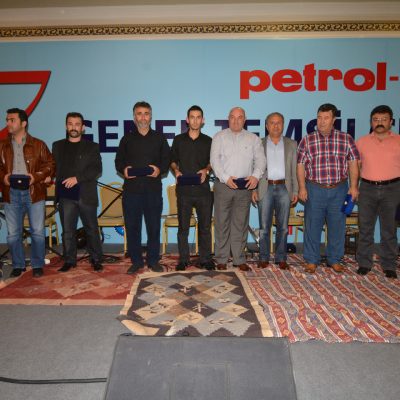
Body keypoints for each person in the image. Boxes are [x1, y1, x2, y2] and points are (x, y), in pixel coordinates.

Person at [297, 103, 360, 274]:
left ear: (334, 120)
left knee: (337, 225)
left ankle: (334, 259)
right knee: (312, 225)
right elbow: (300, 165)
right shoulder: (307, 140)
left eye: (326, 118)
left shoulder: (346, 138)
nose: (322, 121)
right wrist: (302, 187)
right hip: (314, 188)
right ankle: (311, 260)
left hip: (339, 189)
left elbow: (353, 163)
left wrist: (354, 187)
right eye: (319, 117)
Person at [115, 101, 170, 274]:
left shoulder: (159, 138)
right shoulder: (126, 139)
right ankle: (136, 261)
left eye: (146, 113)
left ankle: (153, 260)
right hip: (131, 192)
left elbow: (166, 160)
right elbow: (118, 161)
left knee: (153, 227)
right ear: (134, 117)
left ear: (151, 116)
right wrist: (124, 170)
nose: (143, 117)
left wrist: (159, 169)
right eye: (139, 114)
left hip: (153, 191)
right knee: (133, 228)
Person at [0, 108, 55, 278]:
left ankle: (37, 264)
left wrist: (35, 177)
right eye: (7, 120)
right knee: (13, 234)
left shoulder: (39, 144)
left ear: (23, 123)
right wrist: (4, 177)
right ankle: (18, 265)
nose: (8, 123)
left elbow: (50, 165)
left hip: (34, 192)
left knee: (37, 231)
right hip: (11, 193)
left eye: (12, 120)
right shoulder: (2, 145)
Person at [210, 106, 266, 271]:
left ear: (244, 120)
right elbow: (214, 161)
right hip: (223, 185)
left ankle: (239, 258)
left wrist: (255, 176)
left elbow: (261, 160)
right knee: (221, 223)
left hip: (244, 187)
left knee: (241, 224)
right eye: (232, 117)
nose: (236, 121)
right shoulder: (219, 137)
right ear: (228, 119)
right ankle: (221, 258)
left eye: (239, 117)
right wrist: (226, 178)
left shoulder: (253, 139)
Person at [52, 112, 103, 272]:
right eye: (70, 124)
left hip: (85, 193)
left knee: (91, 229)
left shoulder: (92, 146)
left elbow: (97, 169)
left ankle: (96, 259)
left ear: (83, 127)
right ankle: (69, 260)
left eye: (77, 124)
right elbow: (53, 167)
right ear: (66, 126)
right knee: (68, 230)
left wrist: (77, 178)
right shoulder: (57, 146)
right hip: (66, 194)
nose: (73, 127)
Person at [356, 105, 400, 279]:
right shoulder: (362, 142)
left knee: (389, 229)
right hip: (367, 188)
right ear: (371, 122)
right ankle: (364, 263)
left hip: (393, 189)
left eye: (383, 119)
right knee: (365, 228)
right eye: (376, 119)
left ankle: (389, 265)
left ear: (391, 121)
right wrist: (355, 186)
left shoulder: (398, 141)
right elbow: (356, 167)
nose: (379, 123)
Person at [252, 112, 298, 270]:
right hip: (265, 187)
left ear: (283, 125)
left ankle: (281, 258)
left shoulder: (292, 144)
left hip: (285, 188)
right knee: (264, 227)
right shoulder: (259, 143)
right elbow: (253, 168)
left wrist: (295, 190)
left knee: (283, 227)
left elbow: (295, 169)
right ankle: (263, 257)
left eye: (279, 122)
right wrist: (253, 189)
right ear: (267, 126)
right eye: (272, 122)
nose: (275, 125)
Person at [170, 105, 214, 271]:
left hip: (203, 191)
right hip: (184, 192)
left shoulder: (209, 141)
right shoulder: (178, 140)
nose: (195, 120)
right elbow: (172, 160)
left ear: (203, 120)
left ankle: (205, 259)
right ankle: (183, 260)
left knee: (205, 227)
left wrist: (206, 169)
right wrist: (176, 170)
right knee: (183, 228)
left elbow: (212, 162)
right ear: (187, 120)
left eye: (198, 117)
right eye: (192, 117)